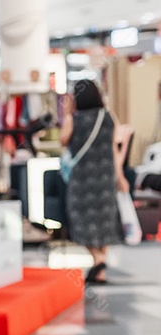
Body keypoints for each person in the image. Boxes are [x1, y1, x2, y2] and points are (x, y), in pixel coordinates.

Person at [59, 79, 128, 283]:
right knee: (104, 222)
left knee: (80, 220)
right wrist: (120, 177)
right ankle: (101, 268)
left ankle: (97, 259)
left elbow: (62, 140)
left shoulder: (74, 119)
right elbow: (114, 150)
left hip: (82, 182)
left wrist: (66, 114)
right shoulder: (109, 117)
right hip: (106, 179)